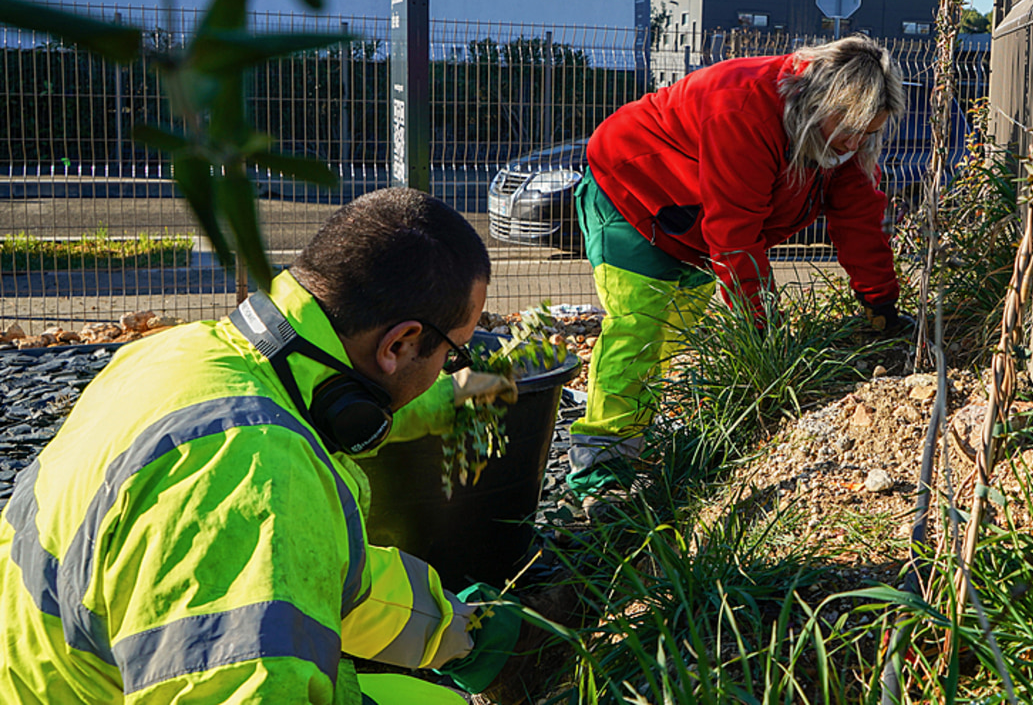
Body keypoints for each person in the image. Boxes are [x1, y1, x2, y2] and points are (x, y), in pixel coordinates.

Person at [0, 189, 542, 703]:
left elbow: (320, 574)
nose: (448, 369)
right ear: (399, 343)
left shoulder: (181, 355)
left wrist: (463, 634)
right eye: (452, 354)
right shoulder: (258, 478)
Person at [566, 34, 910, 498]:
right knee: (640, 327)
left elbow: (857, 215)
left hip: (692, 224)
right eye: (850, 130)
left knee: (675, 329)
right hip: (633, 191)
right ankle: (600, 471)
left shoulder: (839, 132)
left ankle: (637, 440)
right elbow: (736, 236)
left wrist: (880, 297)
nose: (854, 144)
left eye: (869, 134)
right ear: (822, 101)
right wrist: (759, 334)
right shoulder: (743, 108)